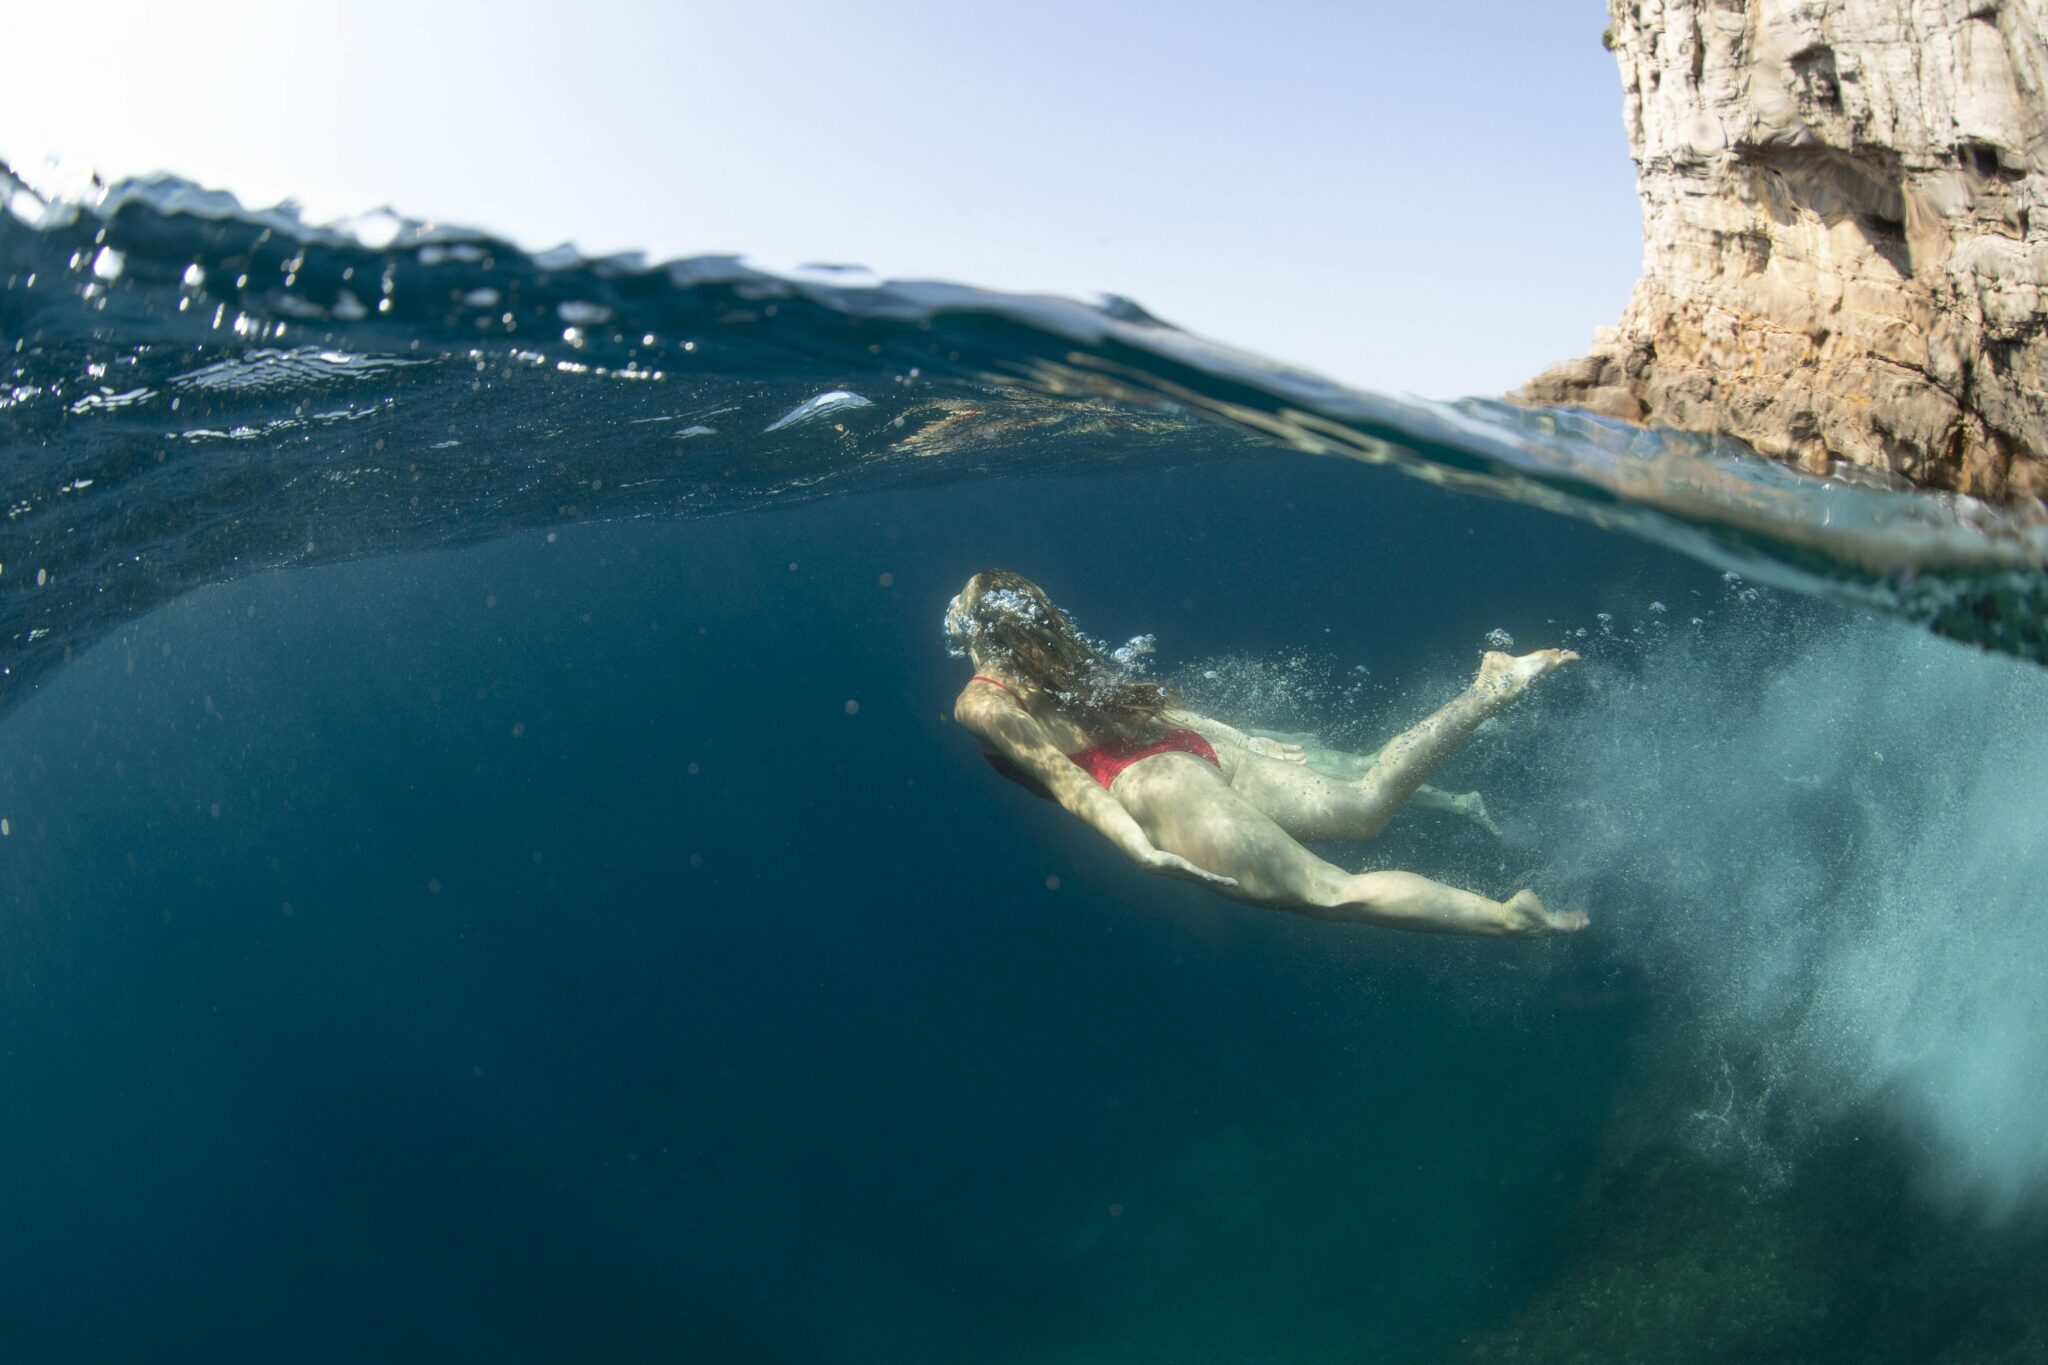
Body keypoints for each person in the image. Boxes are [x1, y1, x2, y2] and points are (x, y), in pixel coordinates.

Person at [946, 570, 1587, 936]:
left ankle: (1513, 921)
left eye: (958, 607)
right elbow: (1159, 713)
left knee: (1332, 891)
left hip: (1157, 785)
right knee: (1366, 806)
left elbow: (1068, 781)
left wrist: (1136, 847)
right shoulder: (1062, 659)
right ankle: (1487, 692)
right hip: (1194, 754)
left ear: (975, 628)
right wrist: (1236, 740)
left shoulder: (981, 700)